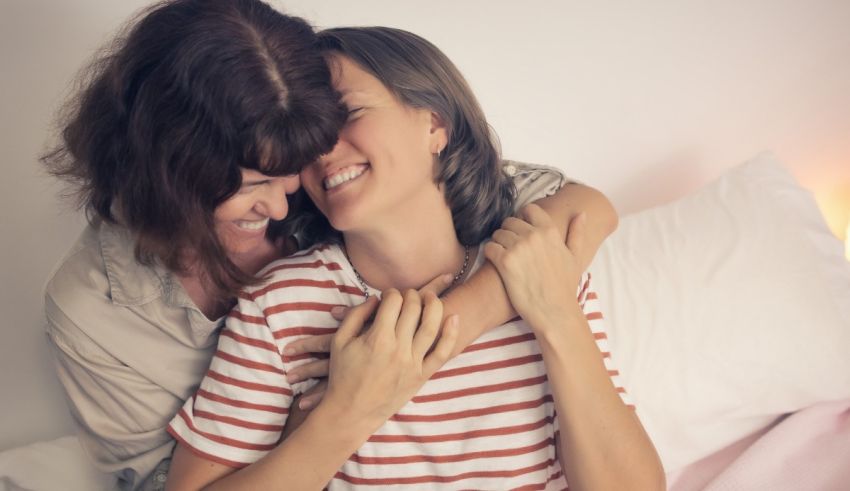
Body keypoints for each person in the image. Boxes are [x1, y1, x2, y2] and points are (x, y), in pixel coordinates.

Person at [41, 1, 618, 490]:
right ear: (171, 179)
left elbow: (583, 206)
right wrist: (346, 405)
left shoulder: (518, 251)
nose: (285, 202)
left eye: (291, 166)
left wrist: (436, 334)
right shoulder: (104, 310)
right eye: (253, 184)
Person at [166, 26, 664, 490]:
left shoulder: (536, 263)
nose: (321, 148)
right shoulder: (279, 305)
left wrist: (557, 319)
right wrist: (350, 409)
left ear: (435, 125)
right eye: (309, 132)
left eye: (347, 114)